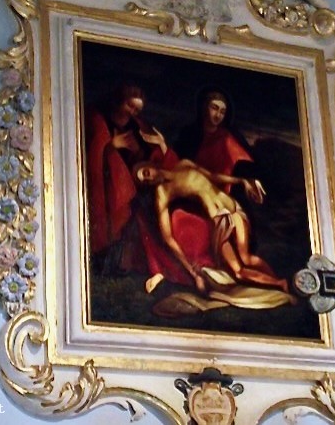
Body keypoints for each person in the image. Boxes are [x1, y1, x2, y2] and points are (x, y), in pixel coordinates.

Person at [135, 160, 287, 294]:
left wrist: (241, 181)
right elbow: (168, 238)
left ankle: (276, 281)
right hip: (220, 222)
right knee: (238, 272)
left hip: (233, 208)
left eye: (147, 173)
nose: (150, 178)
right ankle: (279, 284)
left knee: (247, 259)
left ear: (150, 166)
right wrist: (193, 273)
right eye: (146, 181)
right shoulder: (163, 193)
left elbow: (213, 176)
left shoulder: (183, 165)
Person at [84, 83, 178, 272]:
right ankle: (103, 262)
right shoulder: (99, 119)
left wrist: (159, 146)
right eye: (130, 105)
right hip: (105, 186)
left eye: (137, 109)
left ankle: (119, 263)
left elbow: (150, 158)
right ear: (120, 101)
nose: (132, 112)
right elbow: (92, 152)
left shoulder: (137, 127)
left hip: (128, 187)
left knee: (134, 220)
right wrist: (111, 146)